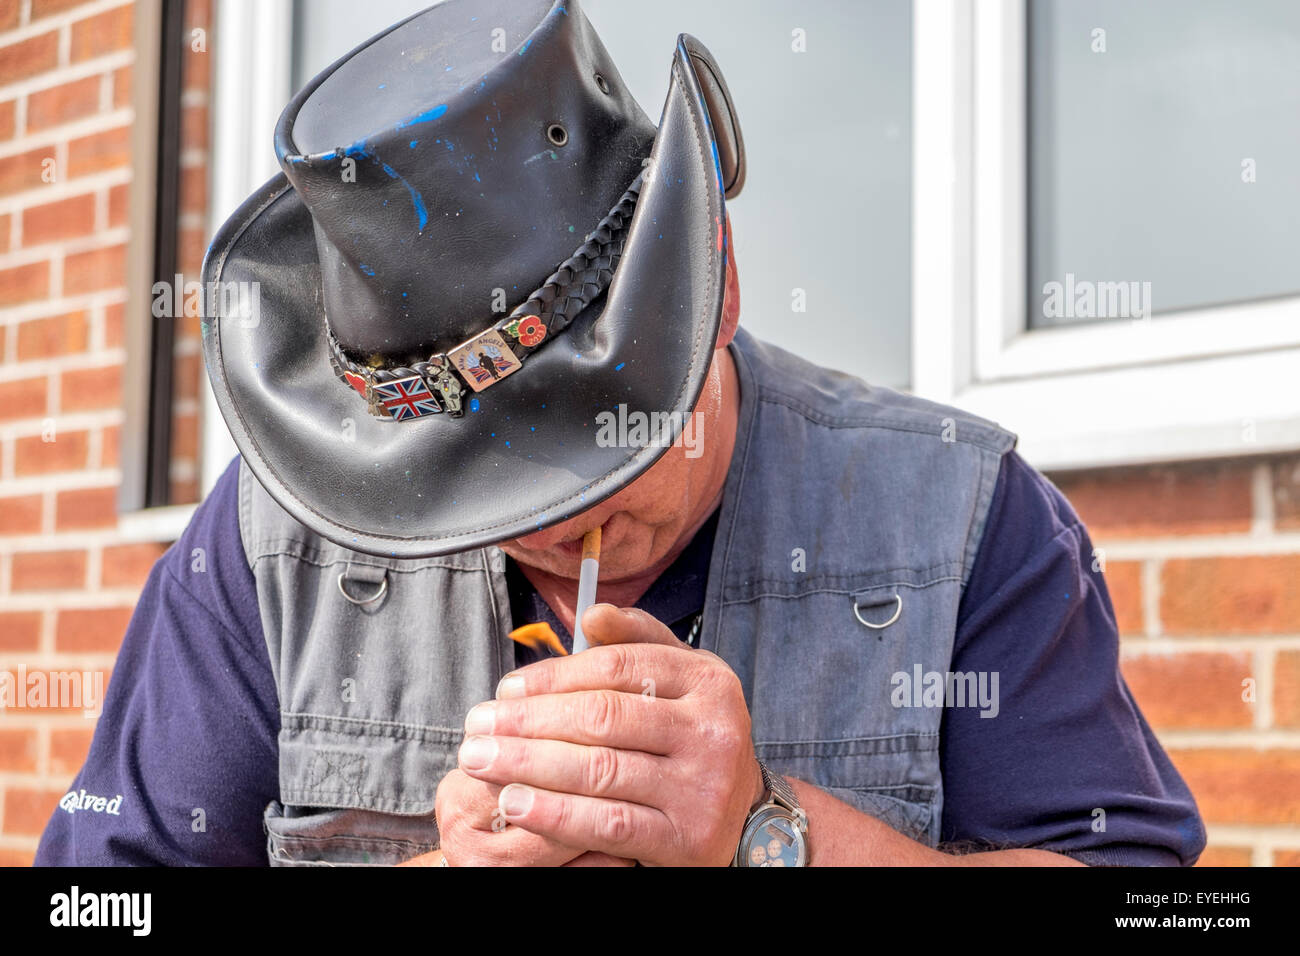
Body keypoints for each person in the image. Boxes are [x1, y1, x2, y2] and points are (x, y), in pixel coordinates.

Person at [35, 0, 1204, 867]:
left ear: (718, 285)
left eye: (604, 438)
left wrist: (768, 831)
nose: (555, 517)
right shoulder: (262, 547)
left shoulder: (962, 513)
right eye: (474, 476)